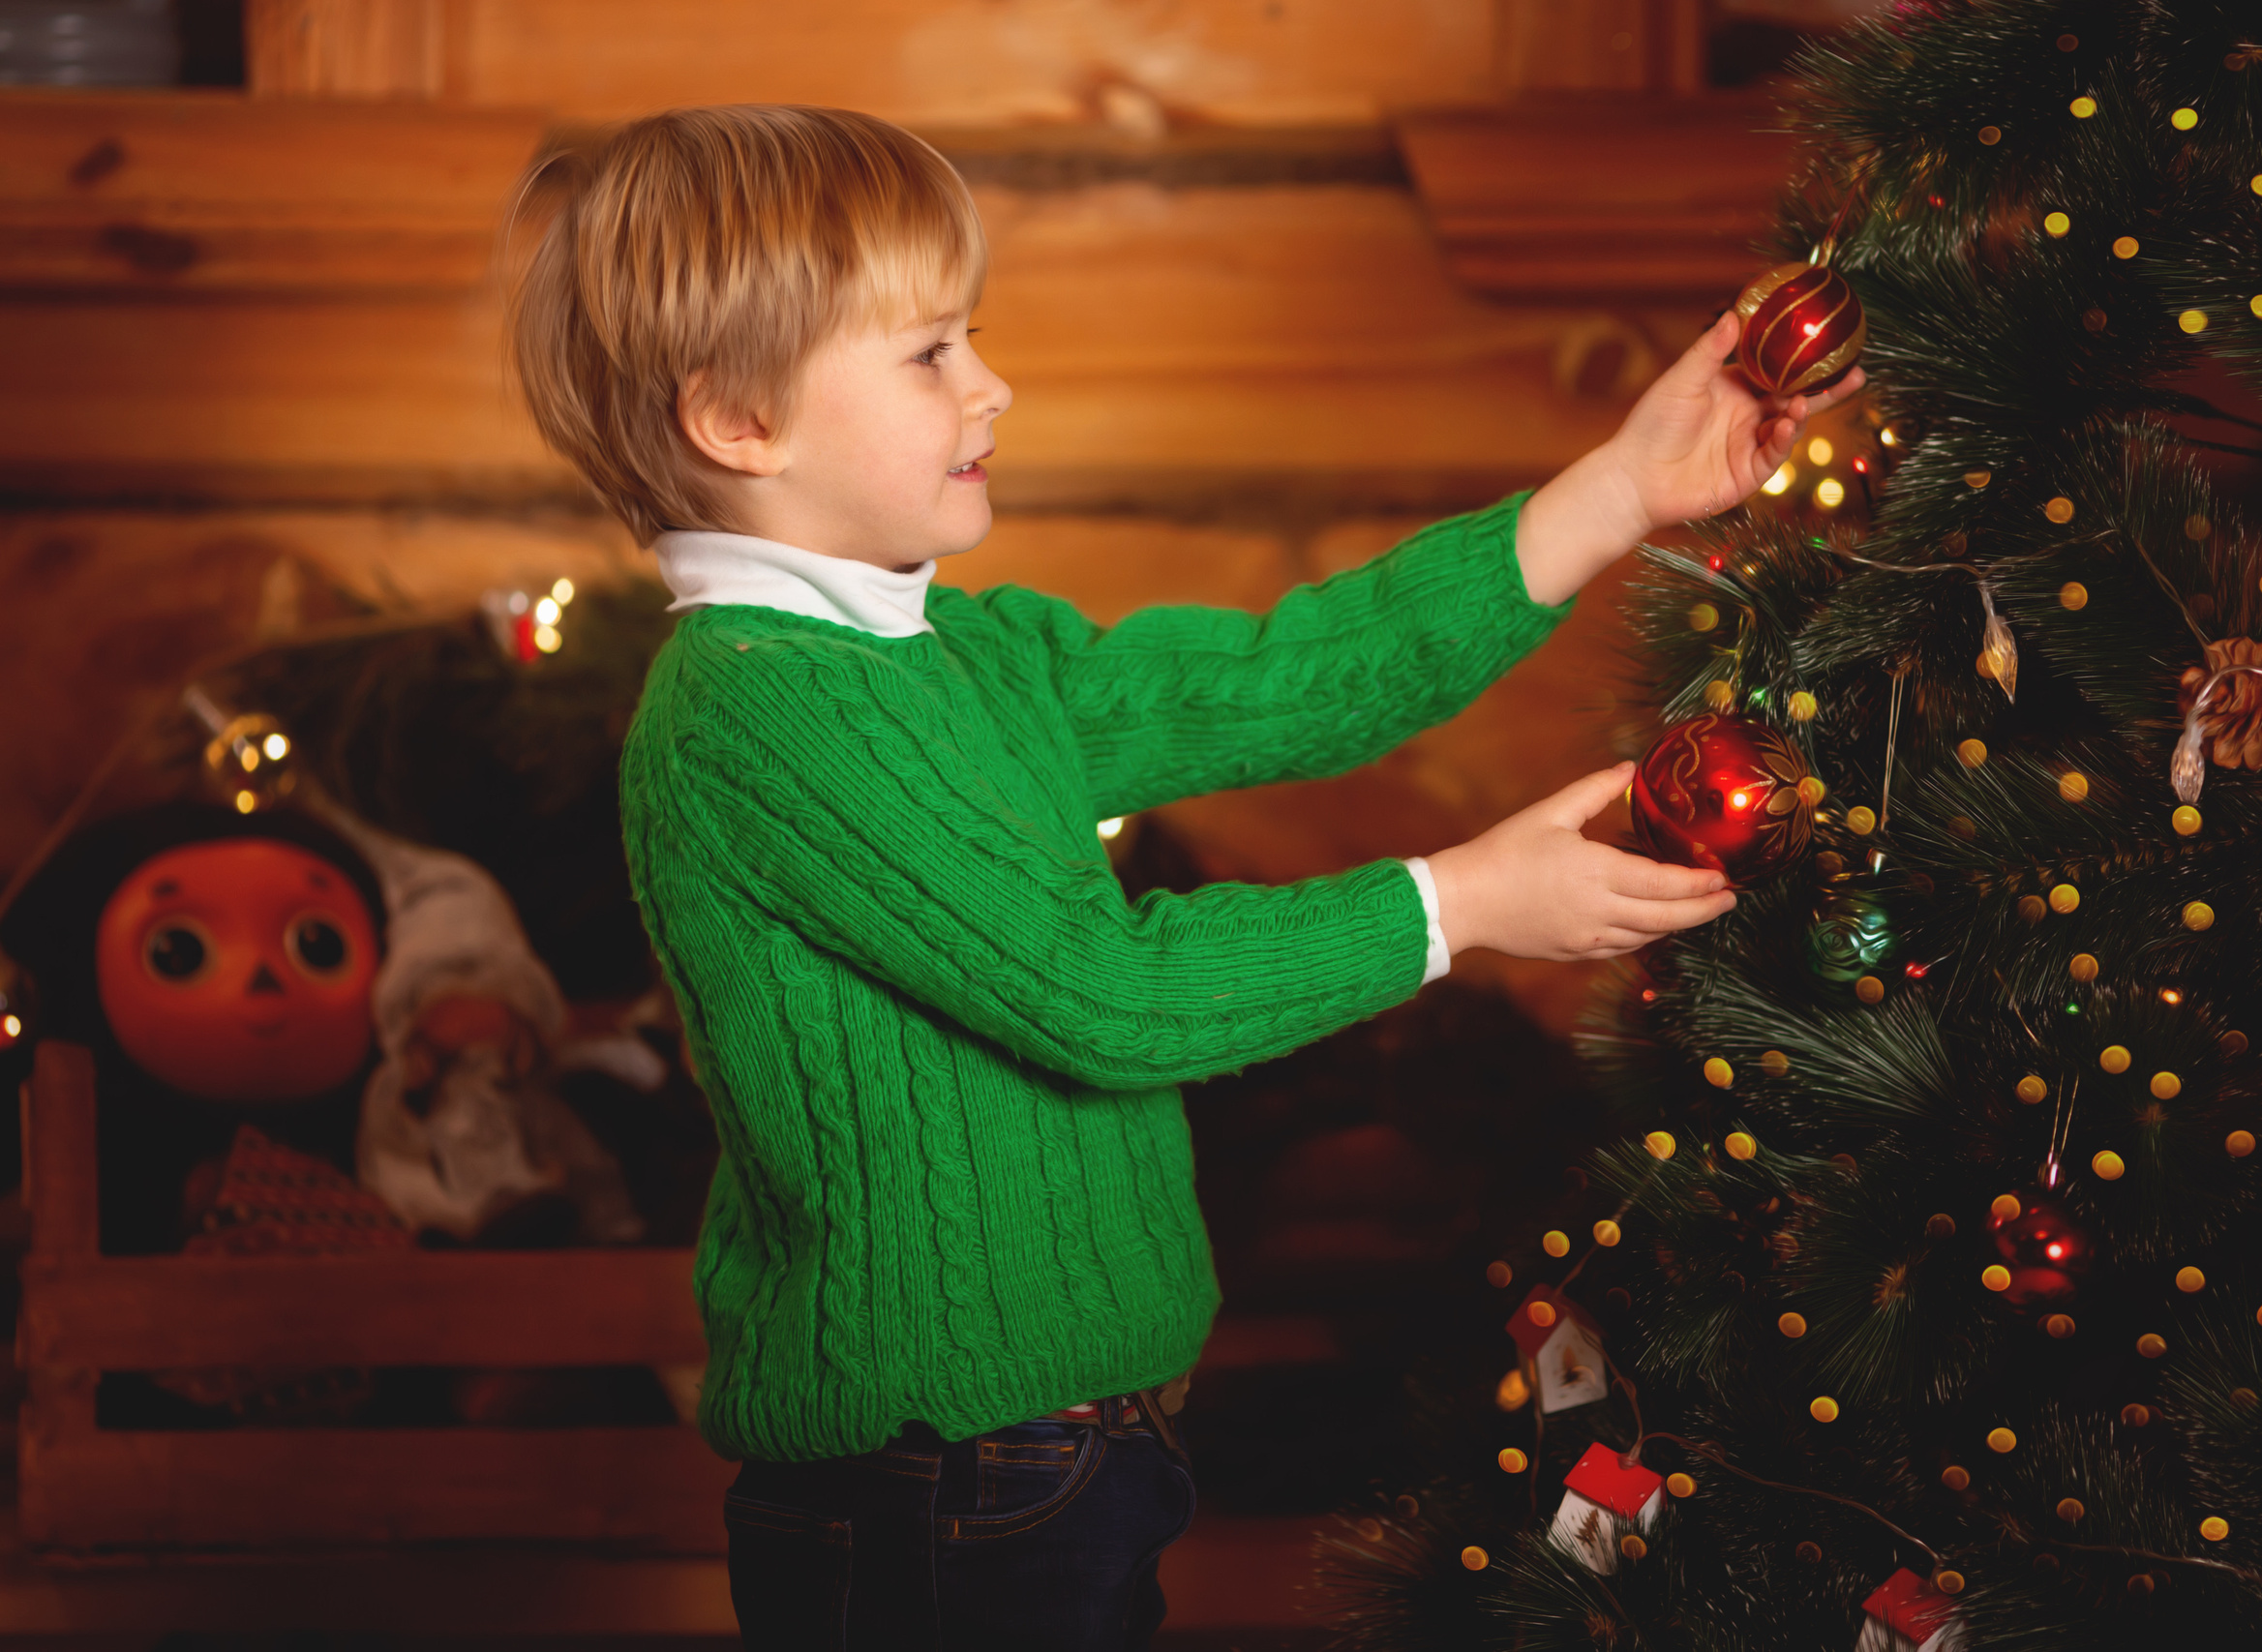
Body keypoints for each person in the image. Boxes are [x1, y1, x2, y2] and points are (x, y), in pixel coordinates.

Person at [507, 104, 1859, 1652]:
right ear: (738, 424)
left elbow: (1292, 680)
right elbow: (1108, 994)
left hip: (1061, 1450)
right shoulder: (763, 705)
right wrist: (1461, 905)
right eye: (928, 353)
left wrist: (1617, 489)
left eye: (972, 338)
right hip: (943, 1474)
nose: (988, 382)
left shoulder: (962, 655)